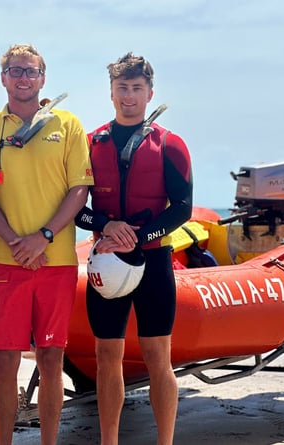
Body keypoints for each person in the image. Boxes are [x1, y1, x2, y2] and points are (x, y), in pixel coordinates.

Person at [0, 44, 93, 445]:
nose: (23, 77)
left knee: (51, 358)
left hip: (56, 261)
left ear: (43, 79)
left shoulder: (68, 125)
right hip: (6, 262)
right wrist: (14, 241)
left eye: (31, 71)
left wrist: (42, 239)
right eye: (15, 70)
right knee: (4, 361)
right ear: (2, 77)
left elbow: (79, 190)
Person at [75, 52, 193, 445]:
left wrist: (138, 238)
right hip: (105, 263)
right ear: (111, 92)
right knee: (107, 356)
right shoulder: (91, 144)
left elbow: (182, 208)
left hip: (154, 261)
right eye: (122, 88)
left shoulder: (170, 145)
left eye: (136, 88)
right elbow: (76, 209)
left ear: (149, 93)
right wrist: (107, 226)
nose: (129, 96)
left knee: (159, 356)